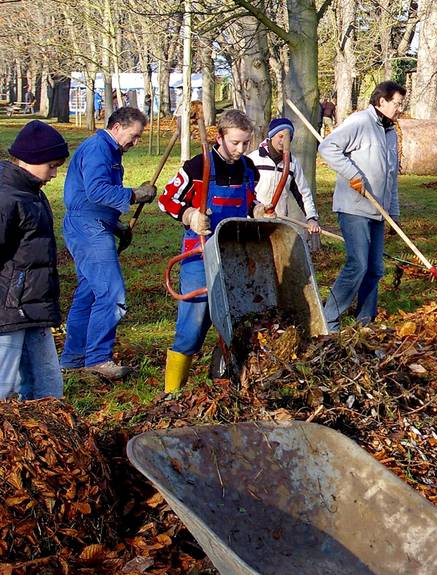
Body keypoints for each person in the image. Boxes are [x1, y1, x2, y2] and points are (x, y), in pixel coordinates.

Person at [158, 109, 268, 392]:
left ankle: (224, 385)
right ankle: (172, 392)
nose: (241, 149)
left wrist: (256, 209)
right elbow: (166, 200)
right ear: (219, 137)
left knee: (233, 324)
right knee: (193, 324)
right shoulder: (197, 166)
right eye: (235, 143)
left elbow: (250, 199)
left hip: (234, 256)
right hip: (199, 255)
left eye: (246, 143)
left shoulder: (248, 169)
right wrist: (190, 215)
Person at [60, 107, 155, 380]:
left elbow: (96, 198)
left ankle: (74, 359)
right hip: (87, 227)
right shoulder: (98, 148)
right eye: (134, 136)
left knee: (89, 293)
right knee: (112, 295)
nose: (135, 143)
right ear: (116, 127)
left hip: (95, 224)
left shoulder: (111, 151)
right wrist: (135, 194)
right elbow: (97, 190)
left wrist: (118, 226)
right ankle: (98, 359)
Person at [318, 81, 404, 332]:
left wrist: (394, 212)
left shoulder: (389, 132)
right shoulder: (360, 122)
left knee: (375, 268)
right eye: (396, 103)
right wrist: (353, 175)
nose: (399, 109)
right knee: (358, 264)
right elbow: (328, 147)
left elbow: (391, 176)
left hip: (379, 210)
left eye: (401, 104)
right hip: (354, 207)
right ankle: (329, 319)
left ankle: (365, 321)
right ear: (381, 102)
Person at [0, 120, 69, 399]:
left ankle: (45, 441)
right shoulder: (7, 198)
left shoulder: (32, 193)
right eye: (51, 165)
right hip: (7, 311)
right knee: (4, 390)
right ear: (30, 159)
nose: (54, 173)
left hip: (33, 308)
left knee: (49, 390)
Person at [248, 117, 321, 233]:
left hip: (277, 222)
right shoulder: (254, 159)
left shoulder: (292, 164)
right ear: (272, 136)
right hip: (252, 221)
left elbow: (303, 193)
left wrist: (311, 218)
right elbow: (245, 191)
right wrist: (256, 210)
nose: (283, 141)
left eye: (288, 138)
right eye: (280, 136)